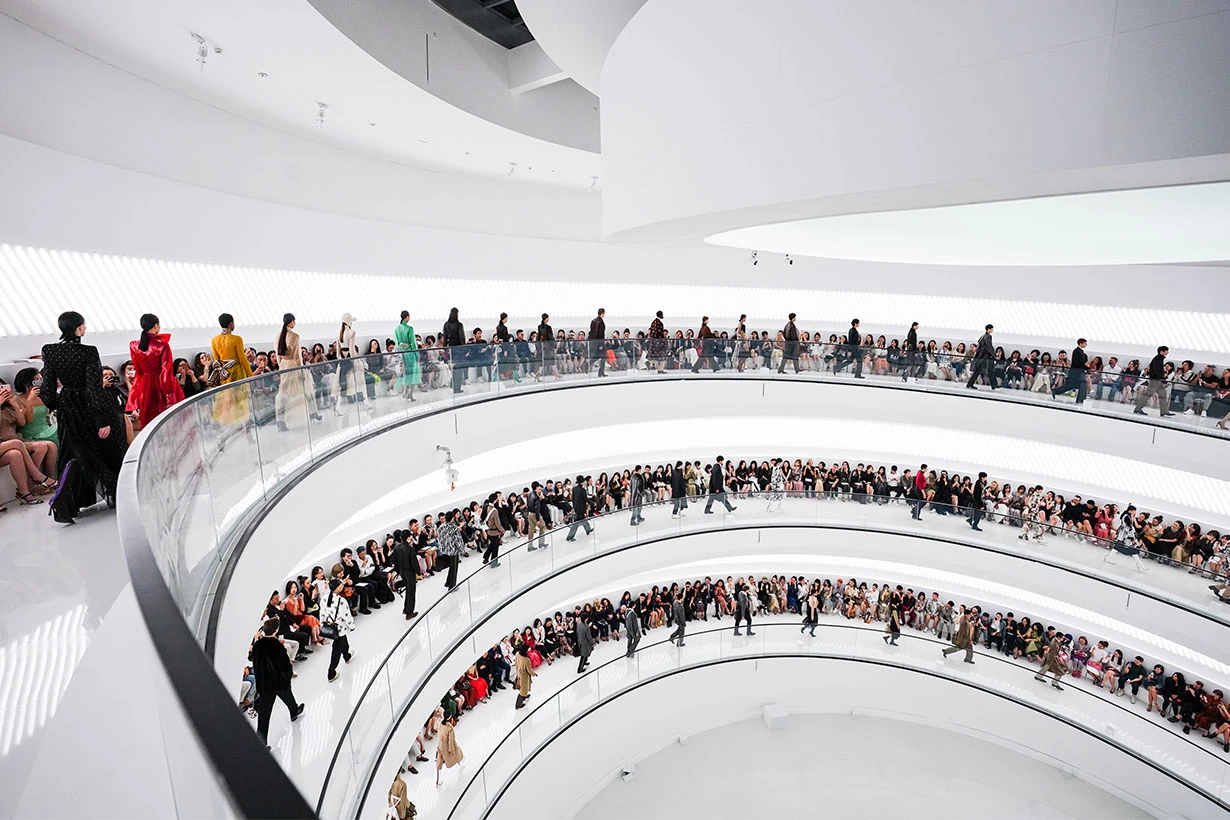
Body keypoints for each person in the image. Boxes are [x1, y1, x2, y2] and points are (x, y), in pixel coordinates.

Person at [40, 311, 129, 523]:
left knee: (73, 451)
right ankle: (117, 494)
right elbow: (94, 386)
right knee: (100, 449)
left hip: (67, 405)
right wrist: (102, 419)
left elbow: (48, 385)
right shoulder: (88, 352)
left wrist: (54, 403)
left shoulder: (49, 350)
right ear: (79, 328)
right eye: (84, 325)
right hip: (88, 404)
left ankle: (65, 502)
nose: (85, 328)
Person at [250, 618, 305, 743]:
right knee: (287, 696)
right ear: (276, 631)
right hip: (278, 682)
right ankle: (294, 711)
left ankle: (262, 741)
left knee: (264, 715)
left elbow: (254, 661)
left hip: (264, 684)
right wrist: (288, 676)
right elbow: (284, 666)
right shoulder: (277, 646)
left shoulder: (257, 645)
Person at [125, 313, 184, 426]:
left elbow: (138, 370)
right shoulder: (162, 346)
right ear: (156, 325)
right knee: (169, 420)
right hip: (161, 386)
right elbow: (165, 373)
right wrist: (170, 397)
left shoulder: (133, 345)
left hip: (145, 386)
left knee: (149, 420)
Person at [274, 313, 316, 431]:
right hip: (293, 366)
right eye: (294, 321)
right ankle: (310, 414)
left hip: (284, 366)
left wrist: (282, 365)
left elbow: (278, 356)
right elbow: (298, 357)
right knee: (302, 391)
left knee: (284, 394)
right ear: (291, 322)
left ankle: (280, 420)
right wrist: (301, 371)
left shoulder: (278, 336)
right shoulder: (295, 336)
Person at [322, 579, 355, 683]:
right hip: (339, 628)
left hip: (330, 626)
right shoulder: (341, 601)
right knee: (337, 648)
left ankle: (347, 655)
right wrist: (352, 625)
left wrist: (322, 623)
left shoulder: (324, 598)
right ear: (337, 588)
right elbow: (346, 616)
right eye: (340, 585)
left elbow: (322, 613)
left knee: (343, 640)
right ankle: (331, 672)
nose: (342, 586)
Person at [1134, 345, 1173, 417]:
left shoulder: (1159, 359)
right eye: (1166, 351)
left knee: (1163, 394)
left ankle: (1164, 411)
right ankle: (1138, 408)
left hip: (1156, 380)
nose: (1167, 352)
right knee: (1148, 394)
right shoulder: (1158, 359)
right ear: (1161, 352)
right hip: (1155, 380)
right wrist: (1162, 378)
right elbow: (1156, 371)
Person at [1052, 338, 1089, 405]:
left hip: (1078, 371)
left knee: (1074, 385)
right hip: (1076, 372)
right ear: (1081, 344)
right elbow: (1078, 363)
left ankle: (1056, 391)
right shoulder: (1077, 351)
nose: (1086, 345)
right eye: (1085, 343)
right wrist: (1086, 367)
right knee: (1081, 384)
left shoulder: (1080, 352)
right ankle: (1080, 399)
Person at [392, 530, 419, 620]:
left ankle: (405, 609)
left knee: (408, 589)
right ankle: (409, 613)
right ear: (408, 538)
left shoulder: (397, 547)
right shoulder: (410, 549)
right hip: (409, 572)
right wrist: (418, 572)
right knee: (411, 592)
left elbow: (394, 560)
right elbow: (414, 563)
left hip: (402, 571)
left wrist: (397, 570)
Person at [395, 310, 421, 401]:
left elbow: (397, 343)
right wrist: (417, 354)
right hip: (410, 353)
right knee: (413, 374)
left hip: (402, 353)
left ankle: (405, 392)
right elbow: (413, 344)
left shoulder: (397, 329)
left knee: (405, 373)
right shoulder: (410, 329)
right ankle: (411, 394)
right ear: (406, 317)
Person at [438, 510, 465, 590]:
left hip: (446, 549)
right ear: (452, 518)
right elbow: (458, 540)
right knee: (454, 567)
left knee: (451, 566)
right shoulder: (453, 528)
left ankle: (448, 582)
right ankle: (452, 586)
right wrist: (462, 550)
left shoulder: (441, 527)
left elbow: (439, 538)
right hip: (453, 550)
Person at [441, 307, 466, 393]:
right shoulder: (459, 325)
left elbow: (444, 338)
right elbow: (461, 337)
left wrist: (445, 348)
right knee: (458, 368)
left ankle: (453, 384)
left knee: (454, 367)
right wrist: (464, 348)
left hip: (450, 349)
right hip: (458, 349)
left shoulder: (446, 324)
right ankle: (457, 388)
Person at [435, 715, 463, 786]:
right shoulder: (450, 728)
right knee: (456, 752)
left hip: (440, 745)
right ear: (449, 717)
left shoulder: (440, 722)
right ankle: (460, 762)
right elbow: (451, 740)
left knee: (439, 762)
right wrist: (451, 750)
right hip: (447, 746)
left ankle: (438, 780)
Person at [966, 324, 996, 390]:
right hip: (984, 357)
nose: (992, 330)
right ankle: (994, 385)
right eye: (991, 329)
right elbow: (989, 347)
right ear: (989, 329)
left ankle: (994, 385)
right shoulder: (987, 337)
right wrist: (994, 356)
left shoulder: (984, 336)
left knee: (981, 370)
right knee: (984, 370)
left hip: (983, 357)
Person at [566, 475, 594, 541]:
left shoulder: (575, 488)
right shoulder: (582, 490)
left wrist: (574, 506)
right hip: (581, 508)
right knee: (576, 523)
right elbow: (586, 499)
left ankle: (588, 529)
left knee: (583, 519)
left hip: (576, 507)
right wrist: (592, 503)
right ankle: (570, 537)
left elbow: (573, 498)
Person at [482, 492, 505, 568]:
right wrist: (502, 530)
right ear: (495, 500)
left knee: (492, 544)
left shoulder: (486, 507)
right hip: (494, 531)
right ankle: (493, 562)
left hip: (488, 530)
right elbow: (497, 523)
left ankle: (486, 557)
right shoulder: (494, 511)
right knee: (495, 547)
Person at [514, 642, 535, 709]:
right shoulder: (526, 660)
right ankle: (518, 704)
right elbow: (529, 670)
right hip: (524, 676)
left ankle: (524, 696)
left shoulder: (517, 654)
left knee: (523, 687)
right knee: (523, 689)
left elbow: (516, 662)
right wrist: (534, 674)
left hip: (519, 672)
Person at [589, 308, 607, 376]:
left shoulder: (593, 321)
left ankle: (587, 365)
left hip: (594, 342)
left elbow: (591, 332)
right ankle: (601, 372)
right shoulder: (601, 322)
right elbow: (601, 334)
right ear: (602, 313)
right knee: (603, 357)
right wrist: (601, 344)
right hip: (599, 343)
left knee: (597, 356)